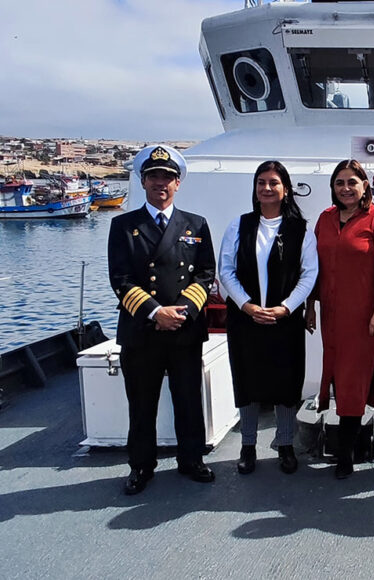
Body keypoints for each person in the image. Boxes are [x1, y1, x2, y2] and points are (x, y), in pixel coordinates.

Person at [107, 145, 216, 495]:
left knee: (187, 398)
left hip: (184, 329)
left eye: (167, 178)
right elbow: (120, 279)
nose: (161, 183)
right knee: (142, 403)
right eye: (154, 177)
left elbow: (205, 273)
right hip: (142, 328)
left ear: (178, 183)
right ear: (142, 181)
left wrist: (181, 311)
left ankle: (192, 459)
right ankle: (141, 465)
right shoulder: (123, 225)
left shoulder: (195, 224)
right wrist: (156, 312)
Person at [219, 161, 318, 475]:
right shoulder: (239, 225)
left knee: (286, 383)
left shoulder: (300, 230)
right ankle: (248, 447)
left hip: (284, 320)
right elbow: (226, 271)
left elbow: (309, 274)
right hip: (245, 320)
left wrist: (287, 307)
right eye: (261, 182)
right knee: (247, 382)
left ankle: (285, 444)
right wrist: (247, 305)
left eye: (273, 182)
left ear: (285, 189)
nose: (266, 188)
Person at [306, 159, 374, 479]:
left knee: (352, 383)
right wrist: (310, 306)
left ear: (364, 187)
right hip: (330, 314)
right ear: (333, 187)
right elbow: (313, 267)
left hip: (362, 317)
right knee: (334, 373)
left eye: (352, 182)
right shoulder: (325, 219)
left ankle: (345, 454)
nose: (346, 188)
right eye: (339, 182)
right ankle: (346, 445)